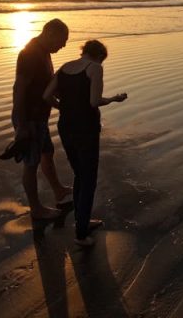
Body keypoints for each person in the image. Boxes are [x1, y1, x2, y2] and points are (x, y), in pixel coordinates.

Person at [44, 39, 128, 246]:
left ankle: (83, 219)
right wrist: (114, 99)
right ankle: (81, 233)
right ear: (99, 55)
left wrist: (63, 107)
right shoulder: (95, 68)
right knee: (88, 177)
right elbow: (94, 101)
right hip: (86, 128)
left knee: (79, 173)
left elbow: (47, 95)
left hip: (65, 126)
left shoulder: (65, 67)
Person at [12, 18, 72, 220]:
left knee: (47, 152)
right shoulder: (30, 54)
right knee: (31, 163)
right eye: (62, 40)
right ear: (50, 34)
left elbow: (45, 87)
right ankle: (36, 209)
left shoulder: (43, 52)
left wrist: (63, 105)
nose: (63, 45)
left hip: (39, 116)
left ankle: (59, 190)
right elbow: (19, 88)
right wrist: (21, 124)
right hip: (29, 117)